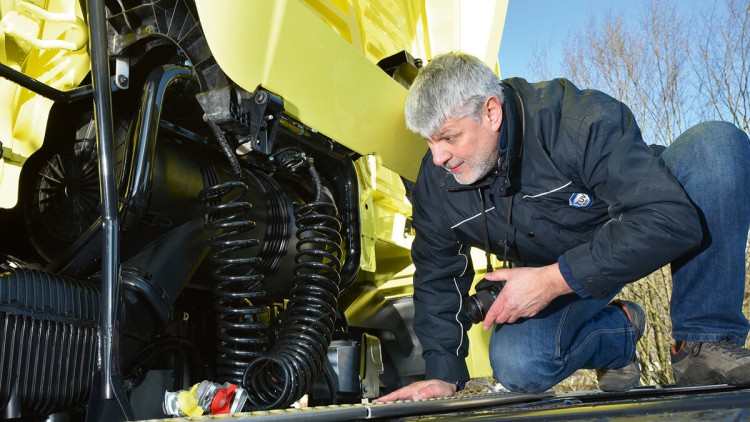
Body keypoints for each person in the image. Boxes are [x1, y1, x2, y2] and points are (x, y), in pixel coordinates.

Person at [375, 51, 750, 402]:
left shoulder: (577, 121)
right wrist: (445, 373)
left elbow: (670, 218)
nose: (438, 156)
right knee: (518, 365)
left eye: (449, 137)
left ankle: (703, 344)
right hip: (567, 276)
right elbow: (437, 274)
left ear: (491, 112)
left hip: (634, 224)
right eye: (429, 142)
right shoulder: (436, 181)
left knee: (715, 146)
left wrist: (552, 280)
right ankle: (618, 333)